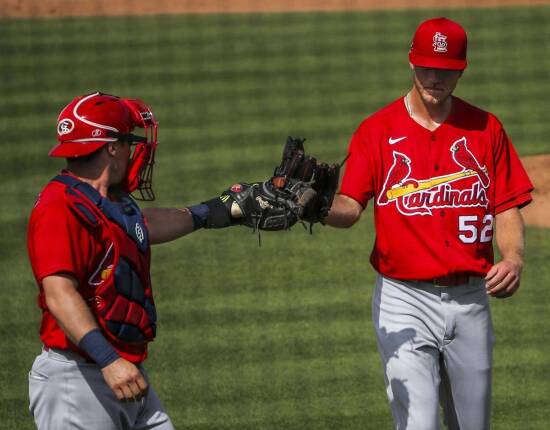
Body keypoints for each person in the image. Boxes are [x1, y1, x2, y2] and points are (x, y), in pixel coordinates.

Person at [26, 91, 307, 429]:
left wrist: (217, 209)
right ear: (111, 146)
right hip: (79, 382)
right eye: (130, 140)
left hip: (125, 375)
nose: (137, 151)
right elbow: (59, 294)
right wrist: (109, 360)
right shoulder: (60, 207)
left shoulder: (109, 200)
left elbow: (142, 225)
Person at [323, 17, 534, 430]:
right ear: (410, 62)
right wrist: (311, 207)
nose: (435, 77)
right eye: (426, 67)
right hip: (403, 300)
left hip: (471, 299)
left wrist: (514, 258)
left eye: (447, 69)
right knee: (420, 423)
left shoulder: (486, 128)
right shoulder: (377, 130)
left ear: (462, 68)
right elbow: (349, 207)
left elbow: (506, 204)